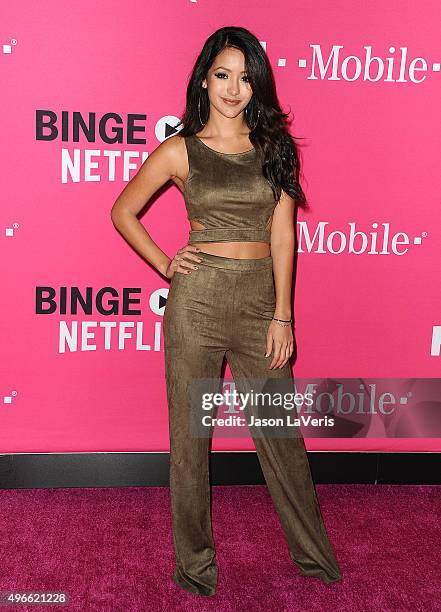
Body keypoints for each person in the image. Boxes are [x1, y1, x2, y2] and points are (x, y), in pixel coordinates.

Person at [111, 26, 341, 597]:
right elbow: (122, 211)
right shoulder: (180, 149)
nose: (234, 89)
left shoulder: (275, 149)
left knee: (280, 435)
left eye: (245, 77)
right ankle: (195, 568)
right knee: (190, 441)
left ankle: (315, 561)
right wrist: (167, 264)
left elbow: (283, 236)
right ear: (204, 80)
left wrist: (283, 314)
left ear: (256, 85)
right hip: (198, 302)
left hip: (260, 302)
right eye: (223, 75)